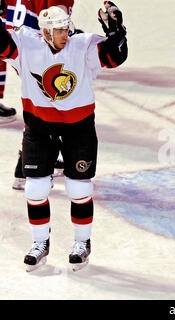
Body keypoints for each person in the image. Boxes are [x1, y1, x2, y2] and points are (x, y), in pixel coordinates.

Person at [0, 1, 127, 270]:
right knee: (35, 189)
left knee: (79, 188)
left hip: (78, 127)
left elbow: (115, 57)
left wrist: (118, 34)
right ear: (44, 32)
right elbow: (2, 45)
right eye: (58, 30)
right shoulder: (26, 43)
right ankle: (39, 242)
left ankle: (82, 243)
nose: (64, 34)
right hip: (39, 127)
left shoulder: (81, 45)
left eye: (65, 28)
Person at [0, 0, 75, 190]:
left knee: (38, 98)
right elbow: (58, 15)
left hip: (14, 35)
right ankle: (28, 166)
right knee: (50, 100)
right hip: (33, 42)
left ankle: (33, 163)